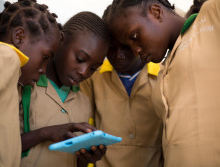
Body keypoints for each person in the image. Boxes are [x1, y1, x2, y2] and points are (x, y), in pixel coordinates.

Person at [106, 0, 220, 166]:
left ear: (156, 12)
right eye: (129, 45)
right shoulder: (164, 68)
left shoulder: (211, 16)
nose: (136, 50)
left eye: (134, 36)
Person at [0, 0, 76, 166]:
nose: (43, 70)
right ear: (19, 38)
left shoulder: (11, 79)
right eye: (45, 57)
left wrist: (46, 132)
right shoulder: (7, 56)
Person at [20, 11, 110, 167]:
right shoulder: (27, 84)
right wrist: (46, 133)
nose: (84, 72)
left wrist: (86, 158)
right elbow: (0, 146)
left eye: (93, 68)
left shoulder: (83, 102)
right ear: (61, 40)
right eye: (80, 59)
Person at [80, 5, 163, 167]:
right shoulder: (93, 77)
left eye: (125, 46)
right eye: (111, 48)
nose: (118, 55)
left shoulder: (163, 76)